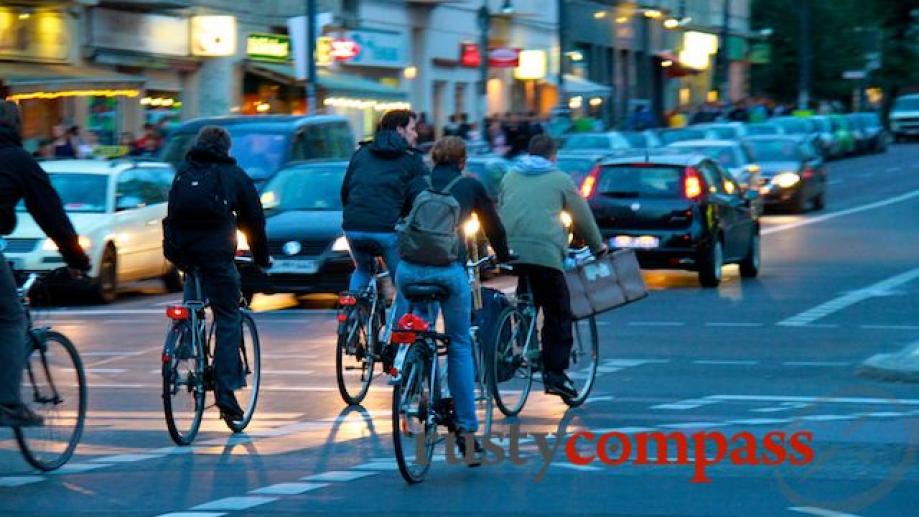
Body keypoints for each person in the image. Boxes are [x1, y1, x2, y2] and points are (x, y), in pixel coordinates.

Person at [396, 136, 511, 459]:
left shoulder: (417, 183)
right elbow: (493, 226)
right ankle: (465, 429)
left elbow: (399, 222)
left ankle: (410, 368)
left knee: (419, 325)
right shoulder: (470, 187)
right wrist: (503, 256)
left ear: (433, 158)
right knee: (459, 342)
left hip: (408, 271)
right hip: (448, 271)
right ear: (463, 161)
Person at [163, 126, 270, 421]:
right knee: (228, 316)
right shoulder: (232, 174)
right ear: (227, 149)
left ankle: (185, 341)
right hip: (217, 256)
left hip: (183, 253)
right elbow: (254, 221)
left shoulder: (184, 171)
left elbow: (171, 212)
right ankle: (225, 391)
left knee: (193, 299)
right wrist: (262, 259)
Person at [0, 101, 91, 427]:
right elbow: (50, 214)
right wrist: (77, 259)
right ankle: (7, 404)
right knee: (10, 319)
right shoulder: (17, 160)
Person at [499, 135, 608, 399]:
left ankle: (526, 346)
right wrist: (598, 248)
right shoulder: (560, 179)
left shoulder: (509, 176)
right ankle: (555, 373)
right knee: (558, 309)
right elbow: (583, 217)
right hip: (545, 253)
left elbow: (502, 207)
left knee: (527, 300)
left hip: (511, 251)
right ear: (552, 156)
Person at [340, 109, 429, 335]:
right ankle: (393, 334)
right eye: (412, 129)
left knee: (362, 268)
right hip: (386, 229)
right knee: (403, 282)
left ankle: (351, 324)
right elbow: (419, 198)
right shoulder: (412, 160)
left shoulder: (361, 153)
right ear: (399, 130)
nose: (416, 135)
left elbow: (346, 189)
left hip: (353, 226)